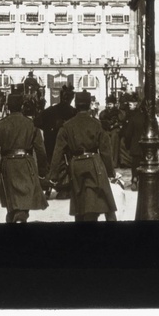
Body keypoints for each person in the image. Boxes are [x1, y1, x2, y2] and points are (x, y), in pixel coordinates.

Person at [49, 90, 119, 221]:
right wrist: (110, 172)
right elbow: (105, 151)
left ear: (76, 105)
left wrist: (53, 176)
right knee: (98, 197)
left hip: (76, 164)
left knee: (79, 200)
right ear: (89, 105)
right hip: (94, 163)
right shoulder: (97, 124)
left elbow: (58, 152)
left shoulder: (67, 126)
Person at [0, 92, 48, 223]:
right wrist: (42, 172)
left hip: (8, 166)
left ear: (7, 107)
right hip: (27, 165)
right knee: (24, 201)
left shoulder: (0, 125)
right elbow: (41, 150)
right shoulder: (31, 124)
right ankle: (20, 218)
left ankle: (15, 218)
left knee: (11, 201)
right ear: (22, 106)